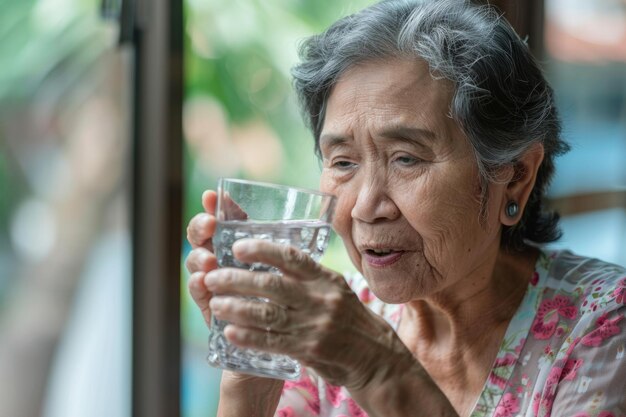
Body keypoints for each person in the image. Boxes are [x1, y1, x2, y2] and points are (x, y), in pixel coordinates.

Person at [185, 1, 626, 416]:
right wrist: (252, 365)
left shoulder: (603, 327)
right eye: (343, 162)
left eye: (407, 159)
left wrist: (377, 368)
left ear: (514, 176)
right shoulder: (325, 327)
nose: (366, 207)